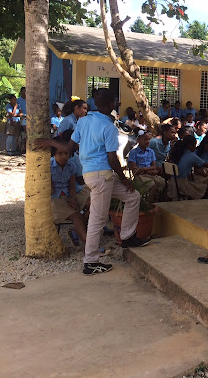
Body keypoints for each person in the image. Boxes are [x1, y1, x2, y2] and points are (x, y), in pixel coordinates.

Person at [35, 88, 149, 276]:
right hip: (102, 176)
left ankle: (128, 237)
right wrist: (125, 179)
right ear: (111, 104)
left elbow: (69, 147)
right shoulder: (109, 127)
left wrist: (50, 142)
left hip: (93, 175)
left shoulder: (84, 121)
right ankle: (90, 262)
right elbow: (113, 159)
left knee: (133, 196)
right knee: (98, 219)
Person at [50, 142, 89, 245]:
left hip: (69, 194)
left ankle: (78, 231)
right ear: (54, 154)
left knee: (94, 205)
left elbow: (72, 185)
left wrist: (72, 198)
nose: (64, 157)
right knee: (76, 217)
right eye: (60, 153)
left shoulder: (71, 165)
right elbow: (50, 190)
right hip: (55, 199)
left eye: (66, 154)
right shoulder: (48, 166)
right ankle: (89, 244)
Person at [169, 135, 208, 200]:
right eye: (194, 145)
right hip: (182, 185)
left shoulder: (180, 153)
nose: (195, 147)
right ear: (190, 146)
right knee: (205, 187)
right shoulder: (191, 156)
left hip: (173, 183)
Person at [127, 130, 165, 199]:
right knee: (152, 185)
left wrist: (143, 169)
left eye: (148, 139)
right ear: (138, 140)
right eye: (145, 140)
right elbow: (135, 171)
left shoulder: (151, 151)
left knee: (162, 182)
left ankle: (156, 200)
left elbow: (154, 166)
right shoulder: (133, 152)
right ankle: (149, 202)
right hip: (140, 176)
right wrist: (146, 170)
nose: (148, 141)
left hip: (150, 174)